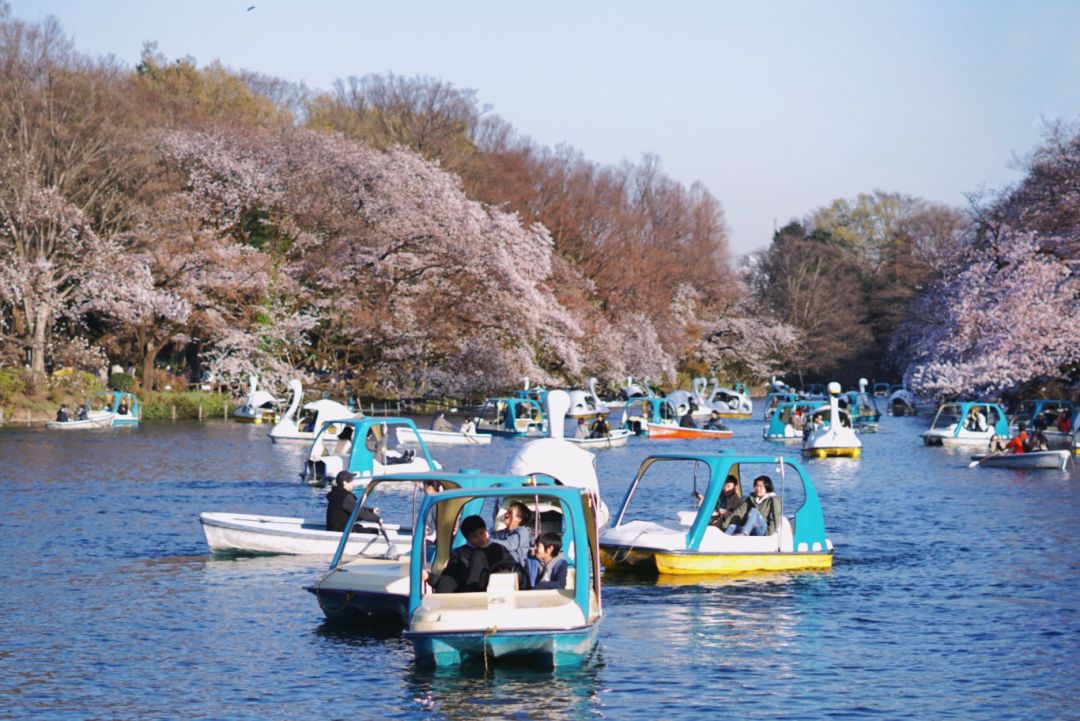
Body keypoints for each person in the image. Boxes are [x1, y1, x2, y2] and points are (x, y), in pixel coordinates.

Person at [428, 515, 519, 593]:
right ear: (468, 539)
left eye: (481, 532)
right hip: (464, 590)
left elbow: (513, 567)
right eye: (474, 536)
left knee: (478, 555)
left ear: (485, 530)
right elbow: (451, 575)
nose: (480, 538)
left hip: (491, 589)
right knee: (446, 581)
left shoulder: (498, 549)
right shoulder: (460, 553)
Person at [490, 501, 533, 567]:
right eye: (507, 511)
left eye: (510, 513)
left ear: (518, 519)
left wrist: (487, 541)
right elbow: (491, 537)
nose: (506, 515)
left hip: (515, 567)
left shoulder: (522, 532)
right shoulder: (502, 532)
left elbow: (509, 545)